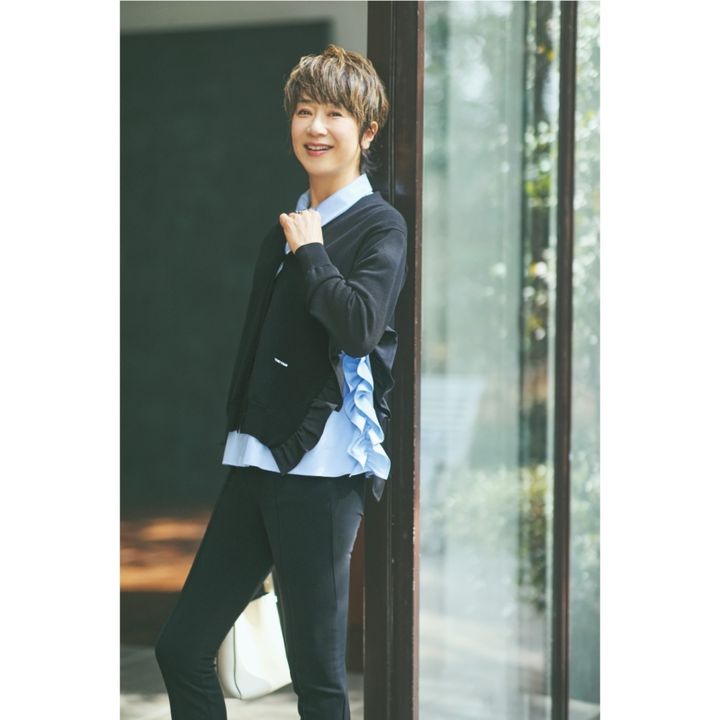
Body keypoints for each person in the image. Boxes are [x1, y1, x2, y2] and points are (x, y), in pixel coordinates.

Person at [154, 44, 408, 720]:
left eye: (334, 114)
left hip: (323, 475)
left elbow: (359, 327)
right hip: (258, 458)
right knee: (182, 649)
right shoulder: (288, 226)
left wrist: (313, 251)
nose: (315, 127)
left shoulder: (378, 226)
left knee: (318, 685)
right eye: (304, 111)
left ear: (367, 132)